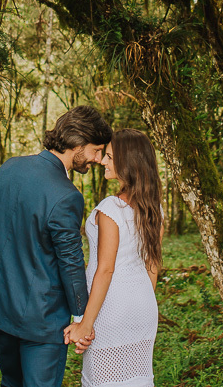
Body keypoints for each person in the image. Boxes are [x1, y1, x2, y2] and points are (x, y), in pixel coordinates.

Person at [0, 105, 113, 387]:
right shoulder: (67, 195)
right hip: (41, 318)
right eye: (96, 150)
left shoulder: (8, 167)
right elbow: (70, 263)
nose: (97, 159)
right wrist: (83, 316)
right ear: (78, 143)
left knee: (10, 381)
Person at [66, 128, 163, 387]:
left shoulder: (111, 208)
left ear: (128, 161)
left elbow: (105, 270)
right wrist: (141, 301)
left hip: (111, 308)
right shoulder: (154, 209)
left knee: (103, 380)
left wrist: (85, 324)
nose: (102, 161)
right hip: (143, 306)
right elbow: (152, 264)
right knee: (136, 379)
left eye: (109, 156)